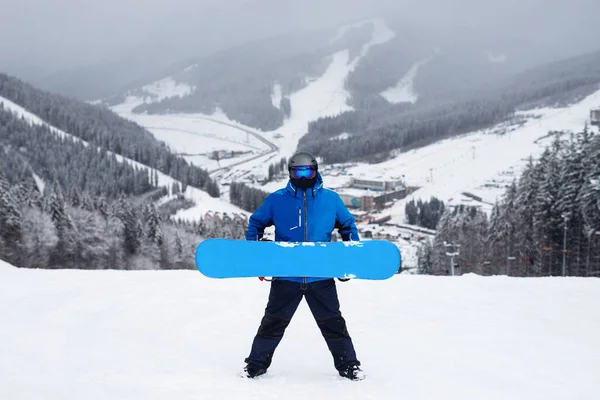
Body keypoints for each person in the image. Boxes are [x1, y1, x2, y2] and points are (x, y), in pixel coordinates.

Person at [241, 151, 365, 381]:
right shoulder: (277, 199)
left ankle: (349, 365)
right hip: (286, 276)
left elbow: (347, 226)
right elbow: (256, 223)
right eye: (298, 171)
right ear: (290, 172)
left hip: (321, 277)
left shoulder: (331, 200)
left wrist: (349, 260)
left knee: (334, 324)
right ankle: (255, 365)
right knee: (273, 323)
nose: (303, 175)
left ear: (315, 171)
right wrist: (256, 253)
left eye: (307, 170)